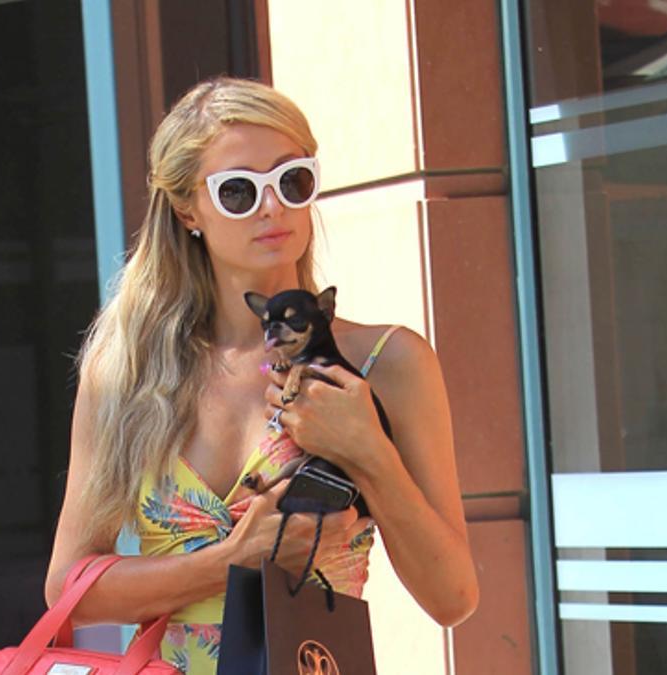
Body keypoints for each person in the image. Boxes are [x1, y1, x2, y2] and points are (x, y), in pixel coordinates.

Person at [45, 76, 478, 674]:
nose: (272, 207)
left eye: (292, 181)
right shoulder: (129, 370)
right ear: (187, 209)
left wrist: (368, 452)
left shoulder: (386, 362)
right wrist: (230, 560)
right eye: (239, 191)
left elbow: (452, 598)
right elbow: (70, 587)